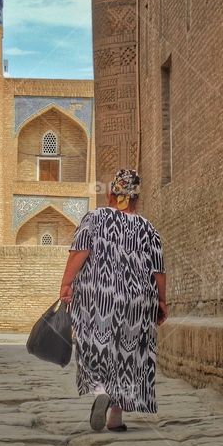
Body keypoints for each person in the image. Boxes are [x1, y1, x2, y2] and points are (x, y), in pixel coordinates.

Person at [59, 169, 167, 432]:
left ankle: (100, 391)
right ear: (136, 198)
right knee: (129, 354)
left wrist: (65, 283)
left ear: (111, 194)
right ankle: (116, 418)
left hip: (98, 297)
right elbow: (158, 270)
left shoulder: (94, 218)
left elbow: (79, 253)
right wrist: (162, 301)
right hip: (137, 300)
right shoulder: (147, 228)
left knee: (95, 345)